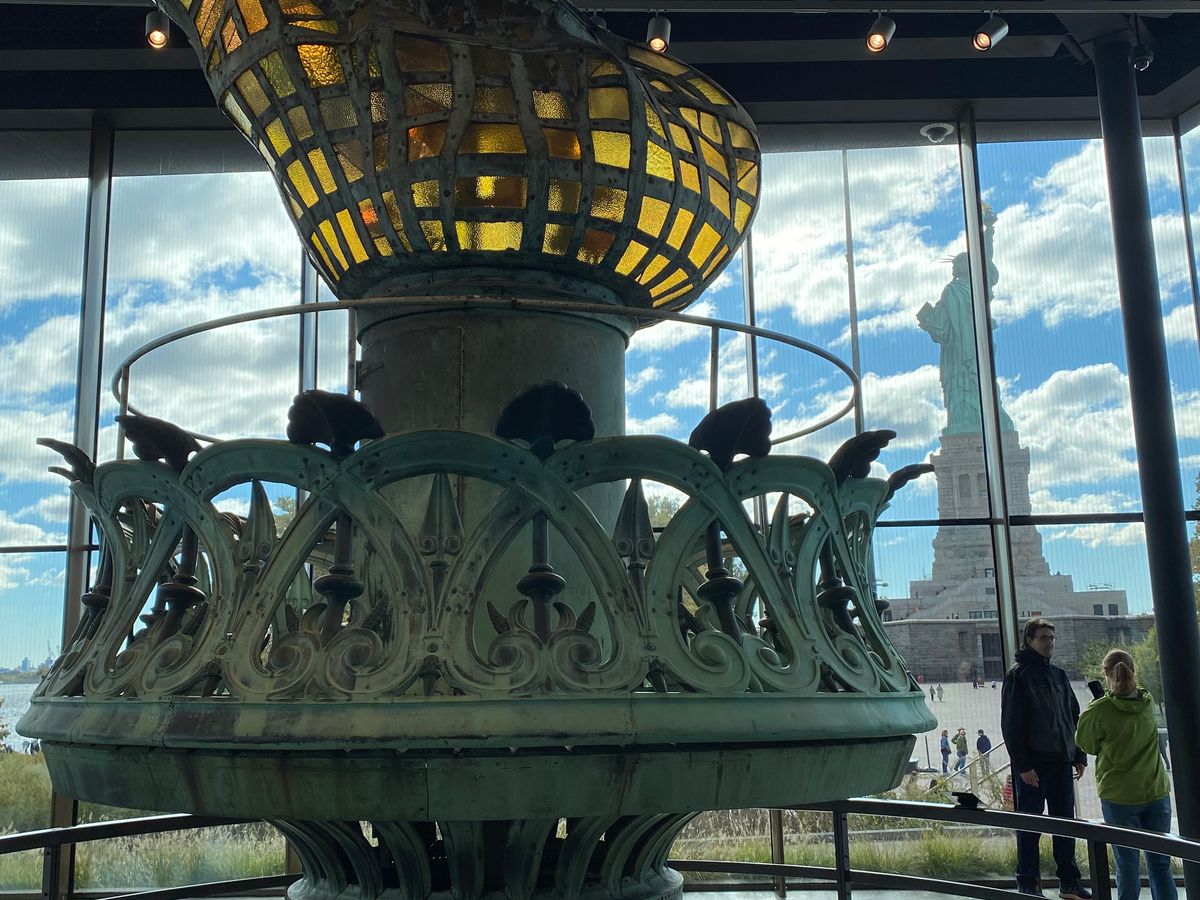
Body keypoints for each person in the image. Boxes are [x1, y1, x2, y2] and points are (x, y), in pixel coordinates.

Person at [1001, 617, 1091, 899]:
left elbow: (1073, 716)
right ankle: (1027, 884)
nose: (1049, 643)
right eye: (1043, 638)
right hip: (1034, 765)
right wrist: (1024, 765)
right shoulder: (1018, 676)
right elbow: (1011, 725)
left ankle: (1069, 883)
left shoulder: (1058, 675)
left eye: (1052, 638)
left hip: (1061, 762)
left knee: (1065, 824)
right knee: (1030, 826)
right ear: (1029, 640)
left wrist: (1078, 754)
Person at [1075, 650, 1176, 900]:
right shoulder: (1147, 702)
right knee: (1160, 864)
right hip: (1155, 790)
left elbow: (1086, 744)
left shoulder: (1099, 710)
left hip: (1119, 795)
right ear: (1134, 670)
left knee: (1127, 865)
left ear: (1105, 673)